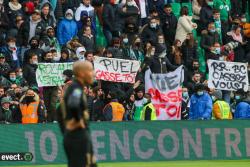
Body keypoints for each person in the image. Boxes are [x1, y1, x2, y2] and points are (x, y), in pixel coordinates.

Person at [58, 60, 97, 167]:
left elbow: (59, 111)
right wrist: (78, 121)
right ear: (81, 73)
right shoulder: (76, 89)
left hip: (77, 136)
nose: (94, 73)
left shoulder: (76, 88)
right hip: (77, 137)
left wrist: (66, 130)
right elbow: (73, 104)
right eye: (90, 70)